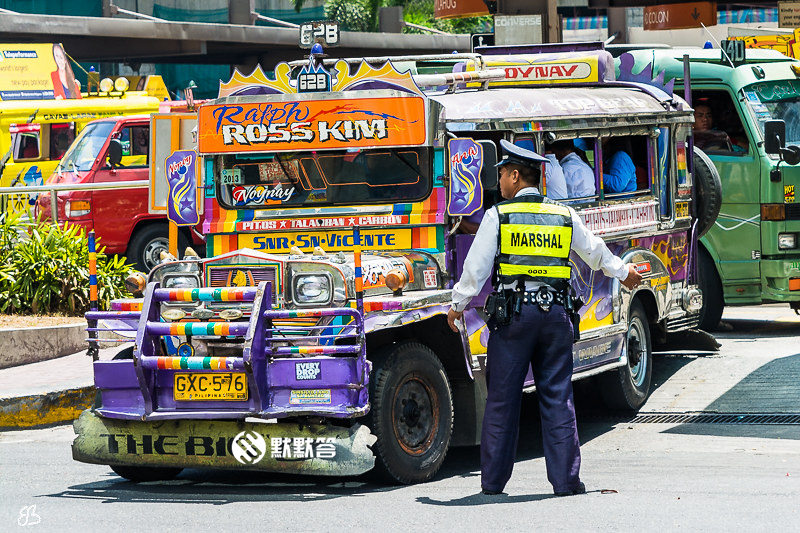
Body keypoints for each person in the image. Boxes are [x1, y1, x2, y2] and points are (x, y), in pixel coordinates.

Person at [446, 139, 642, 497]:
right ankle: (566, 482)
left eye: (502, 175)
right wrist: (623, 271)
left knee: (502, 400)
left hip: (514, 319)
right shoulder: (563, 215)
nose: (499, 182)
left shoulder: (499, 216)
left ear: (515, 176)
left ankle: (493, 484)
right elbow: (595, 251)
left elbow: (475, 269)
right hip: (556, 318)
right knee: (558, 397)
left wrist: (457, 305)